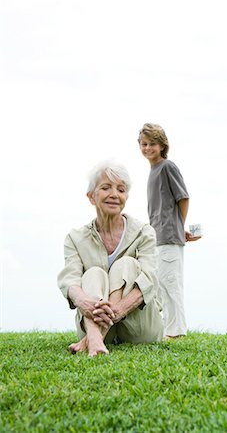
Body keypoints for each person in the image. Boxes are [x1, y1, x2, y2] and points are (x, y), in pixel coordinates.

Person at [57, 160, 163, 356]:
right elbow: (70, 280)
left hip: (139, 329)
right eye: (106, 188)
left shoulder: (144, 232)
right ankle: (96, 338)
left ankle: (92, 340)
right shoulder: (75, 238)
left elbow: (149, 278)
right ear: (91, 197)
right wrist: (85, 304)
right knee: (93, 273)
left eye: (121, 190)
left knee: (127, 264)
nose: (115, 194)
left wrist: (117, 310)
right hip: (91, 322)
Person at [138, 123, 200, 339]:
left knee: (171, 284)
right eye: (144, 144)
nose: (147, 148)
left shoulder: (167, 167)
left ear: (162, 145)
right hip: (157, 237)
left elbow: (183, 197)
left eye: (152, 144)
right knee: (161, 284)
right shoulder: (153, 171)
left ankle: (176, 332)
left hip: (168, 237)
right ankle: (168, 329)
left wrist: (179, 225)